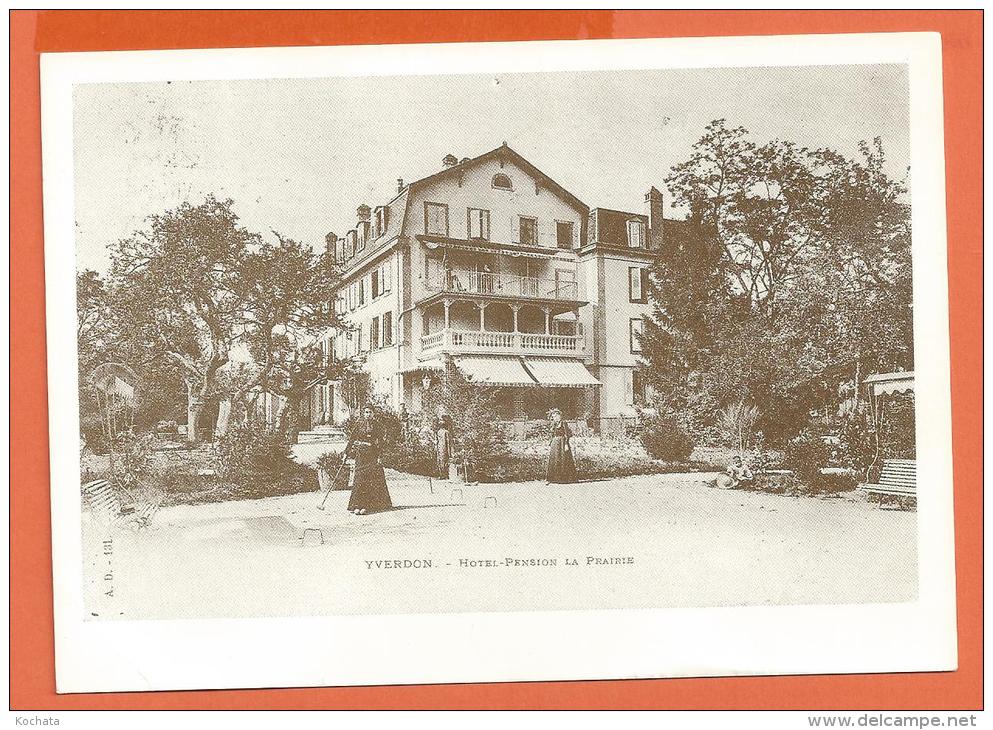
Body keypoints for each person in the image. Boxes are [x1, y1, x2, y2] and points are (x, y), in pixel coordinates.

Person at [344, 405, 393, 515]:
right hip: (360, 455)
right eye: (366, 412)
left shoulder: (377, 426)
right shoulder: (359, 424)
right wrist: (346, 452)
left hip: (372, 455)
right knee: (359, 479)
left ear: (373, 413)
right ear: (363, 413)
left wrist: (380, 456)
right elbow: (352, 439)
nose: (368, 414)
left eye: (370, 412)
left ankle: (367, 506)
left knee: (370, 480)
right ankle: (356, 505)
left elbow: (380, 442)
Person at [545, 408, 577, 484]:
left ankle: (564, 478)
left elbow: (567, 434)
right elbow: (552, 434)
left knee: (563, 459)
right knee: (554, 459)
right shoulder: (554, 424)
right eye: (553, 417)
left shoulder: (563, 423)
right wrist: (550, 442)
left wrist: (566, 444)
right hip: (555, 444)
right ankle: (553, 478)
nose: (555, 418)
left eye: (556, 416)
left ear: (560, 416)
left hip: (562, 443)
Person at [435, 413, 454, 479]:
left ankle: (443, 475)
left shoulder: (441, 432)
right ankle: (443, 475)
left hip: (441, 447)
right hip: (443, 447)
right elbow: (449, 442)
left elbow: (447, 441)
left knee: (441, 460)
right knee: (442, 460)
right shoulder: (445, 432)